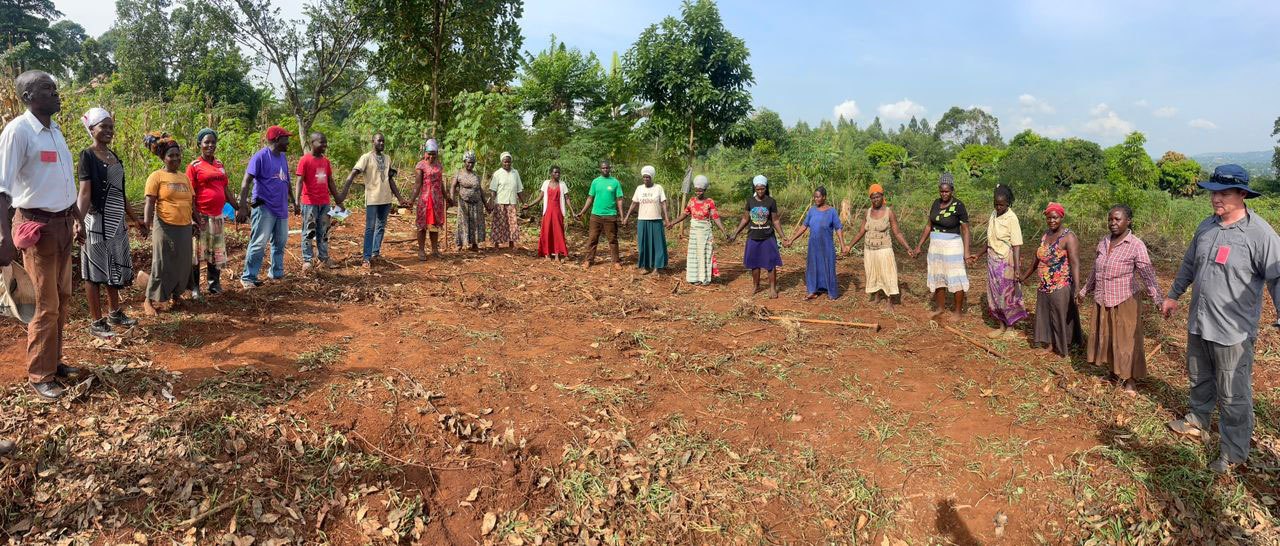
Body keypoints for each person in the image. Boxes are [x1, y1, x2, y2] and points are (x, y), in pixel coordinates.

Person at [1162, 165, 1280, 474]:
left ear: (1242, 195)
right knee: (1199, 377)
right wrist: (1173, 294)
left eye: (1224, 193)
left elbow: (1277, 278)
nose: (1217, 199)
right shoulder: (1206, 227)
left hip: (1233, 332)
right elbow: (1190, 263)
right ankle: (1197, 421)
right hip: (1200, 322)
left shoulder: (1260, 235)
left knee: (1233, 393)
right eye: (1214, 192)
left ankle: (1234, 451)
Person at [0, 70, 85, 402]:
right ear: (27, 98)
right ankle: (40, 374)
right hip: (37, 229)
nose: (55, 93)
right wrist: (3, 236)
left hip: (63, 226)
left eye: (55, 89)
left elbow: (64, 184)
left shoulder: (55, 132)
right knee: (45, 304)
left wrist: (76, 218)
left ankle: (55, 361)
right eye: (47, 89)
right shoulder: (18, 132)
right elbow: (2, 190)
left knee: (62, 300)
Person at [1078, 204, 1161, 396]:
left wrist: (1157, 299)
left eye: (1117, 219)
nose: (1113, 223)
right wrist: (1084, 291)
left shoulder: (1135, 245)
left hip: (1124, 300)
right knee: (1108, 338)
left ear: (1128, 221)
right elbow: (1094, 270)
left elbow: (1147, 274)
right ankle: (1113, 374)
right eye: (1110, 219)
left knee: (1126, 341)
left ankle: (1130, 380)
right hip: (1103, 299)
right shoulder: (1104, 242)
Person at [76, 108, 144, 338]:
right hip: (96, 221)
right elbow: (85, 193)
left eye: (111, 127)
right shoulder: (87, 156)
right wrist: (78, 221)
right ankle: (97, 322)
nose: (108, 131)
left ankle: (115, 312)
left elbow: (120, 193)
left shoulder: (114, 155)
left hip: (116, 223)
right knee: (93, 272)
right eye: (103, 126)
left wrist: (135, 219)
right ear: (91, 129)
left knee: (113, 267)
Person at [141, 132, 195, 315]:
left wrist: (197, 218)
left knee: (182, 263)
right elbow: (149, 202)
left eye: (177, 155)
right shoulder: (156, 176)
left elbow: (190, 201)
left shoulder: (184, 177)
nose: (175, 158)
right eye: (171, 155)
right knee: (162, 263)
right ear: (163, 157)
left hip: (185, 226)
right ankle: (148, 300)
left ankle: (176, 297)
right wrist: (146, 224)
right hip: (165, 225)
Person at [237, 126, 295, 288]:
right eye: (286, 138)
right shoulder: (261, 156)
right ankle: (248, 277)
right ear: (277, 139)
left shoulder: (282, 157)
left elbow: (286, 181)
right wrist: (242, 205)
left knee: (280, 242)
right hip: (264, 207)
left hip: (281, 207)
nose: (288, 142)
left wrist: (294, 202)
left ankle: (276, 273)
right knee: (259, 243)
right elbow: (246, 181)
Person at [1022, 202, 1082, 356]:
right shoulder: (1045, 235)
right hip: (1044, 284)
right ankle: (1050, 345)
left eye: (1055, 217)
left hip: (1060, 284)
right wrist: (1024, 277)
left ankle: (1063, 348)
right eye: (1049, 218)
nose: (1052, 221)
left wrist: (1076, 287)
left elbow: (1075, 263)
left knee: (1059, 316)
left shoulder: (1069, 237)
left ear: (1061, 217)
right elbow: (1037, 260)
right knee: (1046, 316)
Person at [341, 133, 408, 270]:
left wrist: (399, 198)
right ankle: (366, 257)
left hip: (386, 199)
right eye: (379, 141)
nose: (382, 143)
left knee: (381, 226)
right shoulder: (366, 158)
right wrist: (343, 193)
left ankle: (375, 252)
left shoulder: (387, 158)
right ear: (373, 142)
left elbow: (390, 179)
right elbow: (354, 172)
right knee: (370, 228)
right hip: (372, 199)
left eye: (383, 141)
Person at [968, 185, 1027, 337]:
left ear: (1008, 203)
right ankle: (1001, 325)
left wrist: (1016, 269)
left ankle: (1011, 327)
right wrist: (979, 255)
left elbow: (1016, 244)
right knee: (995, 294)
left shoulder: (1012, 218)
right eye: (996, 204)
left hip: (1006, 261)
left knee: (1007, 295)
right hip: (992, 261)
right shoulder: (994, 214)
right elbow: (990, 240)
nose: (998, 207)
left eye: (1001, 204)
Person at [187, 128, 241, 294]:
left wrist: (238, 206)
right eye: (206, 142)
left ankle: (214, 284)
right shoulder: (194, 166)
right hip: (200, 215)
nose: (210, 145)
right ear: (199, 145)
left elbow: (225, 189)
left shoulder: (219, 165)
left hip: (217, 216)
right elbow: (189, 194)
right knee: (196, 253)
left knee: (215, 252)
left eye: (213, 142)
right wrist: (193, 218)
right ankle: (195, 288)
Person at [845, 184, 914, 308]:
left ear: (882, 196)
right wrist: (849, 246)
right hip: (870, 249)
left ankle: (889, 301)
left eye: (877, 197)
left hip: (884, 249)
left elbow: (897, 232)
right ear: (870, 199)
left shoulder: (889, 212)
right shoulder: (867, 212)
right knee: (873, 273)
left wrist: (908, 248)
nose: (875, 199)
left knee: (887, 274)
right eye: (873, 197)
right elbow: (861, 232)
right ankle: (876, 296)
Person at [913, 174, 971, 319]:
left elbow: (965, 230)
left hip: (953, 246)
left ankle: (958, 312)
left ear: (952, 190)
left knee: (956, 276)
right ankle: (940, 308)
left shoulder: (958, 206)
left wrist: (967, 252)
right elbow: (928, 226)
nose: (944, 194)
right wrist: (919, 245)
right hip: (935, 246)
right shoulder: (935, 203)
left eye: (947, 191)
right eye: (942, 191)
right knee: (938, 275)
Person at [729, 175, 786, 298]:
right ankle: (756, 286)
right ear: (754, 188)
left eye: (763, 189)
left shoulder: (771, 201)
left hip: (768, 237)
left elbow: (775, 220)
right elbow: (745, 219)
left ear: (766, 188)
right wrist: (735, 233)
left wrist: (783, 236)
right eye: (758, 189)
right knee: (755, 264)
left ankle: (772, 288)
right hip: (753, 237)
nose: (760, 191)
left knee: (770, 263)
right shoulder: (750, 201)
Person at [667, 175, 729, 285]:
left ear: (704, 190)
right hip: (694, 232)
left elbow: (715, 217)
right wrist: (672, 223)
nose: (698, 193)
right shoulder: (691, 201)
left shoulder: (709, 202)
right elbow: (684, 214)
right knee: (694, 254)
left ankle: (703, 279)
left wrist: (724, 231)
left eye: (700, 191)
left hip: (705, 232)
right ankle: (694, 278)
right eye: (696, 191)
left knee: (704, 254)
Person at [787, 186, 845, 300]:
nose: (816, 199)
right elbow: (804, 226)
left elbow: (838, 228)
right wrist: (792, 239)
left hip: (827, 245)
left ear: (824, 197)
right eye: (815, 197)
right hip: (813, 246)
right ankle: (812, 291)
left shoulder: (831, 211)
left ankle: (831, 293)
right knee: (813, 267)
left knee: (828, 267)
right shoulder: (812, 210)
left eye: (818, 197)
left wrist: (843, 245)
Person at [295, 131, 340, 271]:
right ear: (312, 143)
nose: (324, 145)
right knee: (309, 231)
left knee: (324, 231)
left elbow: (330, 181)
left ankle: (324, 258)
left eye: (325, 142)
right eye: (321, 142)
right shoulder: (305, 160)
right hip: (309, 202)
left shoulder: (326, 161)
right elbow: (299, 181)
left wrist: (339, 200)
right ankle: (307, 260)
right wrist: (297, 201)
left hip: (324, 202)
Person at [578, 160, 625, 269]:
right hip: (596, 215)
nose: (605, 170)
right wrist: (582, 212)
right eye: (603, 168)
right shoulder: (595, 182)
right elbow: (590, 198)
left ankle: (616, 261)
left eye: (607, 168)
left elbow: (619, 200)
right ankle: (588, 260)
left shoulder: (615, 182)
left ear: (610, 168)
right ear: (600, 169)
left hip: (610, 215)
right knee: (592, 239)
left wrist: (622, 216)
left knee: (612, 239)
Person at [623, 165, 669, 274]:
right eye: (644, 177)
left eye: (648, 177)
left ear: (651, 177)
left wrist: (666, 218)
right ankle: (645, 266)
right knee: (643, 243)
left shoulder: (658, 188)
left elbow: (663, 203)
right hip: (642, 220)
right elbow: (634, 203)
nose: (646, 179)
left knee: (657, 244)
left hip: (656, 219)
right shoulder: (639, 188)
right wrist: (626, 217)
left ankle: (657, 267)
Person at [524, 165, 575, 261]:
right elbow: (540, 198)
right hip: (548, 211)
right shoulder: (546, 183)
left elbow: (567, 198)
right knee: (547, 231)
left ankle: (556, 254)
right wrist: (529, 205)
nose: (557, 174)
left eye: (559, 172)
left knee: (558, 232)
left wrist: (572, 212)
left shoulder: (562, 184)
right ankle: (547, 253)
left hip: (558, 211)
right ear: (551, 173)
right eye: (555, 172)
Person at [412, 138, 449, 260]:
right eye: (429, 154)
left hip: (437, 200)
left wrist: (446, 196)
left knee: (434, 225)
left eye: (434, 154)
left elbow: (440, 182)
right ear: (425, 153)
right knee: (422, 226)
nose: (431, 157)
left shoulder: (439, 165)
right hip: (425, 200)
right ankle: (421, 251)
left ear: (437, 153)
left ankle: (434, 250)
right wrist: (412, 200)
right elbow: (417, 185)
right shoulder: (420, 165)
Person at [488, 151, 524, 251]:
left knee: (512, 223)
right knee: (498, 223)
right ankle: (496, 244)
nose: (507, 164)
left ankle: (511, 243)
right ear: (501, 162)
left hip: (511, 202)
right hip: (500, 202)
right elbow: (493, 190)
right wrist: (491, 203)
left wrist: (523, 202)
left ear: (511, 162)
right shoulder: (497, 174)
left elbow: (519, 189)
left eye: (508, 162)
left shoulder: (515, 173)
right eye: (505, 162)